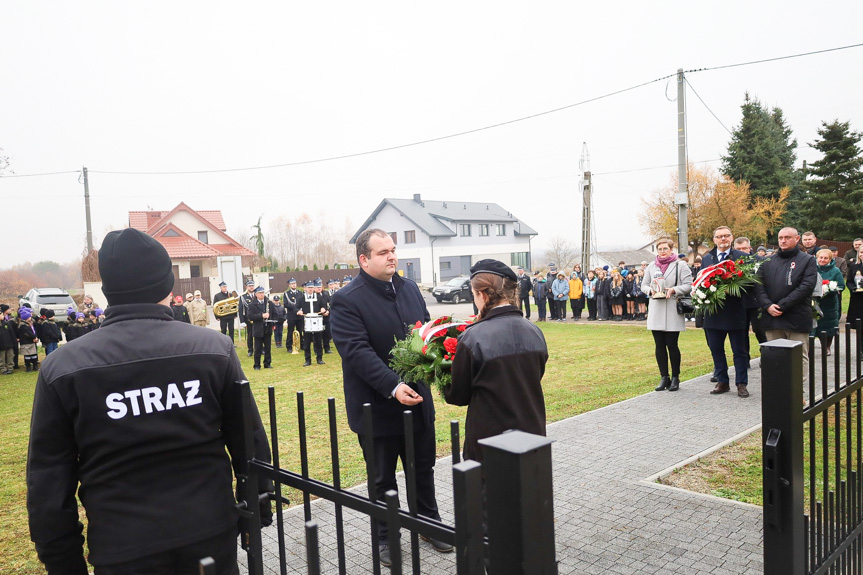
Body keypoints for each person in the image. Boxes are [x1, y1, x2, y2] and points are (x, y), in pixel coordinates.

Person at [26, 227, 272, 575]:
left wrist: (61, 560)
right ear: (166, 285)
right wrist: (258, 506)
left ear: (108, 289)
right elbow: (248, 440)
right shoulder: (212, 350)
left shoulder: (63, 367)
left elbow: (48, 478)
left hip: (124, 545)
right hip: (207, 531)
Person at [330, 228, 450, 567]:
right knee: (382, 479)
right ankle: (385, 538)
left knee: (422, 468)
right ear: (364, 259)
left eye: (393, 250)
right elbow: (356, 351)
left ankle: (428, 522)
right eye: (383, 252)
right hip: (377, 407)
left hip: (419, 401)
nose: (392, 256)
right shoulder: (347, 299)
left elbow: (425, 333)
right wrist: (393, 385)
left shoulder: (410, 288)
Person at [443, 259, 548, 462]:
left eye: (474, 295)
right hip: (532, 437)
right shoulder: (535, 331)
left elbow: (458, 395)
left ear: (481, 294)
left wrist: (441, 374)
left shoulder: (473, 337)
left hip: (490, 443)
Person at [754, 227, 818, 379]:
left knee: (799, 357)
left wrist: (783, 305)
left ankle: (797, 395)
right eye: (780, 238)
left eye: (787, 237)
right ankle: (778, 393)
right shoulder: (767, 261)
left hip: (797, 316)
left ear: (797, 239)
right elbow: (758, 285)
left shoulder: (808, 260)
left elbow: (807, 286)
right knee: (775, 356)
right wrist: (767, 305)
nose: (783, 240)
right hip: (772, 317)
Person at [700, 227, 752, 397]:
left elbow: (749, 283)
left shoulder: (741, 257)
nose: (723, 239)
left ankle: (741, 383)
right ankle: (722, 381)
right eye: (719, 237)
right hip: (713, 312)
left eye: (726, 236)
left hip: (735, 311)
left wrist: (731, 290)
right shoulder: (707, 258)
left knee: (740, 351)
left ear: (732, 238)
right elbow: (701, 281)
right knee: (716, 349)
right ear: (714, 240)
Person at [641, 238, 692, 391]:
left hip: (672, 308)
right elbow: (644, 284)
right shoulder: (651, 266)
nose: (662, 252)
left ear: (671, 249)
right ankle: (664, 377)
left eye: (665, 249)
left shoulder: (680, 265)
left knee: (672, 344)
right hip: (656, 308)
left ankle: (675, 376)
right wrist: (649, 291)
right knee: (659, 345)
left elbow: (689, 285)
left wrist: (674, 290)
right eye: (660, 249)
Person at [812, 248, 845, 356]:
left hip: (829, 303)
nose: (822, 260)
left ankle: (826, 346)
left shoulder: (835, 270)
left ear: (830, 259)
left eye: (825, 258)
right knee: (814, 326)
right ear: (817, 258)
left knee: (828, 327)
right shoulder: (812, 268)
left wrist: (829, 288)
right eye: (820, 257)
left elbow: (841, 285)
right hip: (814, 302)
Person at [297, 281, 327, 367]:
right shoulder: (302, 298)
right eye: (309, 288)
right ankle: (307, 360)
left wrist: (323, 308)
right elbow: (296, 307)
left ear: (313, 288)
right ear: (305, 288)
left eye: (311, 288)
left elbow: (324, 305)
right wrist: (298, 311)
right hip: (307, 322)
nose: (310, 289)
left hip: (317, 321)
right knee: (307, 342)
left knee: (318, 341)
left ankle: (319, 358)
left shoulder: (318, 297)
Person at [247, 286, 276, 370]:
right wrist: (261, 316)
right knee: (258, 348)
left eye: (262, 293)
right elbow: (250, 316)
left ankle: (267, 363)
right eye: (259, 293)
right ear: (256, 294)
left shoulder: (269, 303)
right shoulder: (252, 305)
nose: (261, 294)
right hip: (258, 329)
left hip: (267, 328)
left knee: (268, 348)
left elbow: (275, 313)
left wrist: (272, 321)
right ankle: (257, 365)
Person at [845, 245, 863, 339]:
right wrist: (853, 288)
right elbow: (849, 281)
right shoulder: (854, 266)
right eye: (861, 252)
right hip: (858, 299)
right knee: (859, 327)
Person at [17, 307, 40, 372]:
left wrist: (36, 337)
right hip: (26, 342)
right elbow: (28, 333)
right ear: (26, 318)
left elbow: (34, 331)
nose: (31, 317)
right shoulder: (23, 325)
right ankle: (28, 367)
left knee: (34, 354)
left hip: (32, 342)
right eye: (29, 316)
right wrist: (34, 337)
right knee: (27, 355)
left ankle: (35, 366)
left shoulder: (30, 324)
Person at [238, 280, 256, 357]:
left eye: (252, 286)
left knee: (259, 335)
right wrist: (242, 321)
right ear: (246, 287)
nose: (251, 287)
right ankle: (250, 350)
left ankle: (260, 349)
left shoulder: (257, 295)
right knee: (250, 335)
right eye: (250, 286)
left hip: (257, 318)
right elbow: (241, 309)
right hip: (248, 319)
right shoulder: (243, 297)